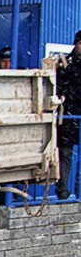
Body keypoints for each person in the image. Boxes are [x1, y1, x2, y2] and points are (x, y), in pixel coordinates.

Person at [56, 30, 81, 199]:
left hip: (73, 114)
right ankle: (63, 190)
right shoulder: (65, 63)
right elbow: (58, 87)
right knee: (65, 153)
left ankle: (78, 191)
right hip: (68, 116)